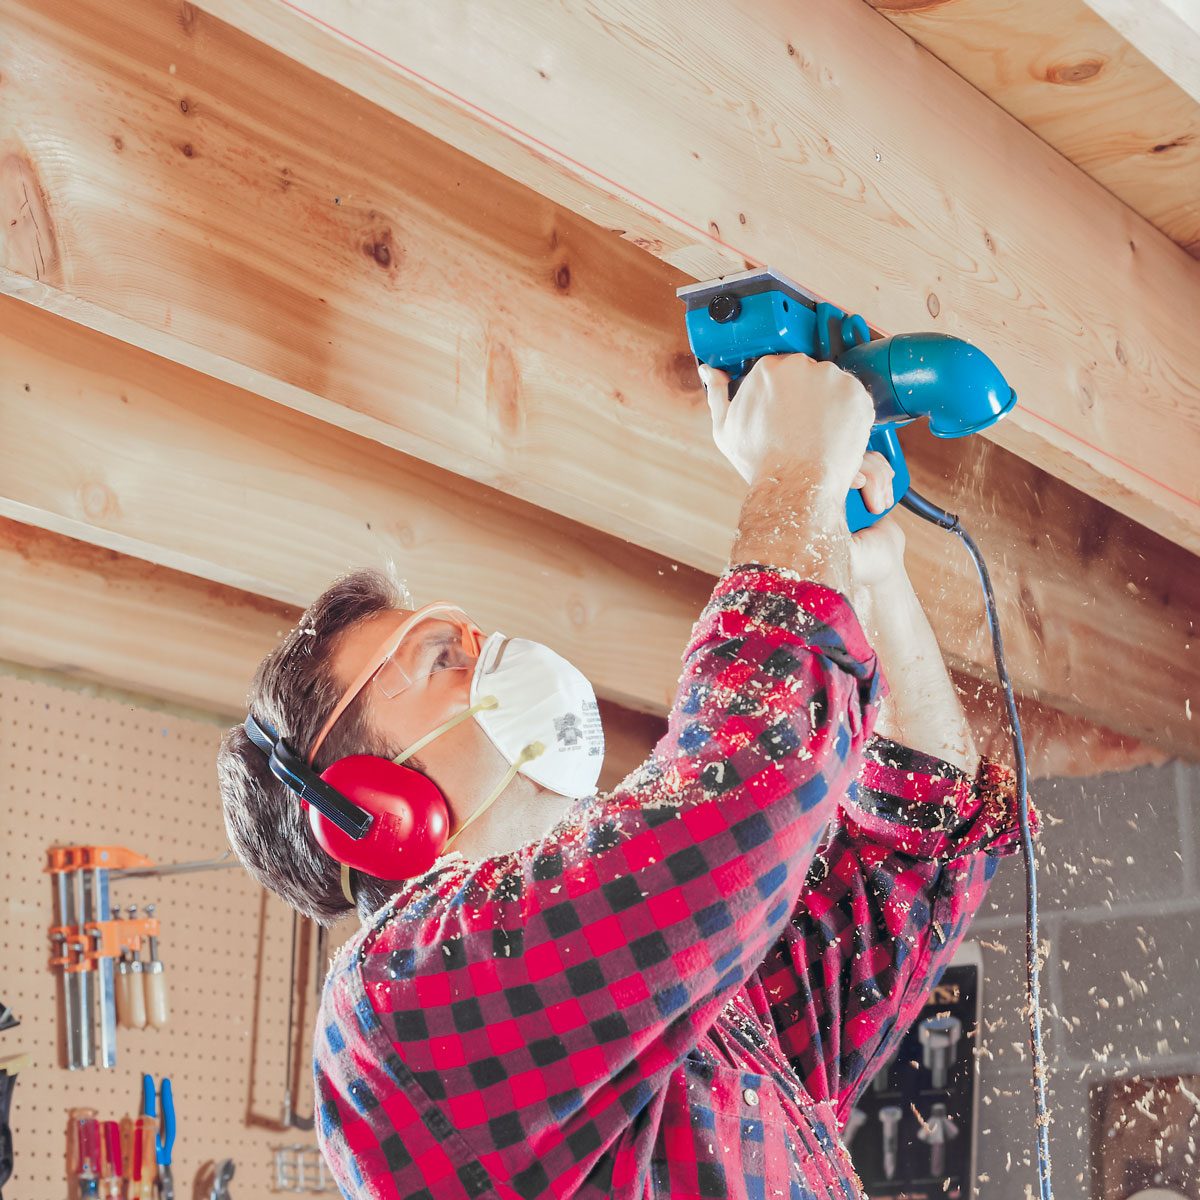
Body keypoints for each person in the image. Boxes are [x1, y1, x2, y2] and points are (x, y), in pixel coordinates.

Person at [218, 354, 1031, 1198]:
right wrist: (792, 477)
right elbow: (741, 792)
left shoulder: (684, 999)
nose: (491, 656)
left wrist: (867, 574)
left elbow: (914, 858)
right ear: (374, 808)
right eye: (439, 661)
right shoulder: (396, 1007)